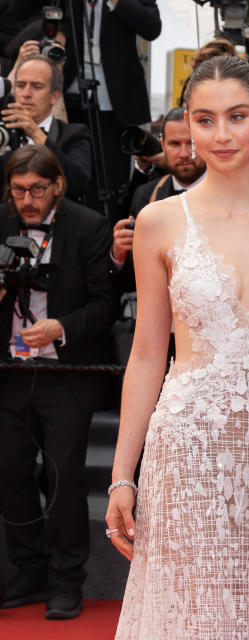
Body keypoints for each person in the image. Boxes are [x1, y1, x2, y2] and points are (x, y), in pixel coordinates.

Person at [106, 45, 249, 638]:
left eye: (237, 116)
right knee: (183, 618)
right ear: (186, 127)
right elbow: (148, 355)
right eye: (205, 120)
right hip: (188, 453)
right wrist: (124, 474)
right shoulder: (161, 221)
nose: (222, 134)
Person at [0, 144, 117, 620]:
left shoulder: (88, 226)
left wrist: (60, 328)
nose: (26, 200)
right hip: (10, 370)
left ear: (58, 186)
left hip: (67, 372)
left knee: (64, 477)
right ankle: (28, 569)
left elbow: (106, 306)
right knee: (8, 471)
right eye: (18, 190)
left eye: (36, 190)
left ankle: (67, 578)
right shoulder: (2, 222)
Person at [62, 0, 162, 215]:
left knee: (111, 182)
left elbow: (152, 28)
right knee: (71, 173)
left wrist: (118, 2)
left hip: (115, 102)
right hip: (68, 94)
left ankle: (109, 238)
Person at [108, 106, 207, 293]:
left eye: (191, 143)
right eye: (175, 144)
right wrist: (118, 256)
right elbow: (130, 284)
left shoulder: (229, 193)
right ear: (162, 146)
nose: (184, 153)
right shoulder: (145, 195)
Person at [1, 54, 92, 200]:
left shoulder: (75, 134)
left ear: (55, 96)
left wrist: (36, 134)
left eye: (37, 87)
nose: (26, 94)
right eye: (20, 85)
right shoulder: (3, 134)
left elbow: (77, 184)